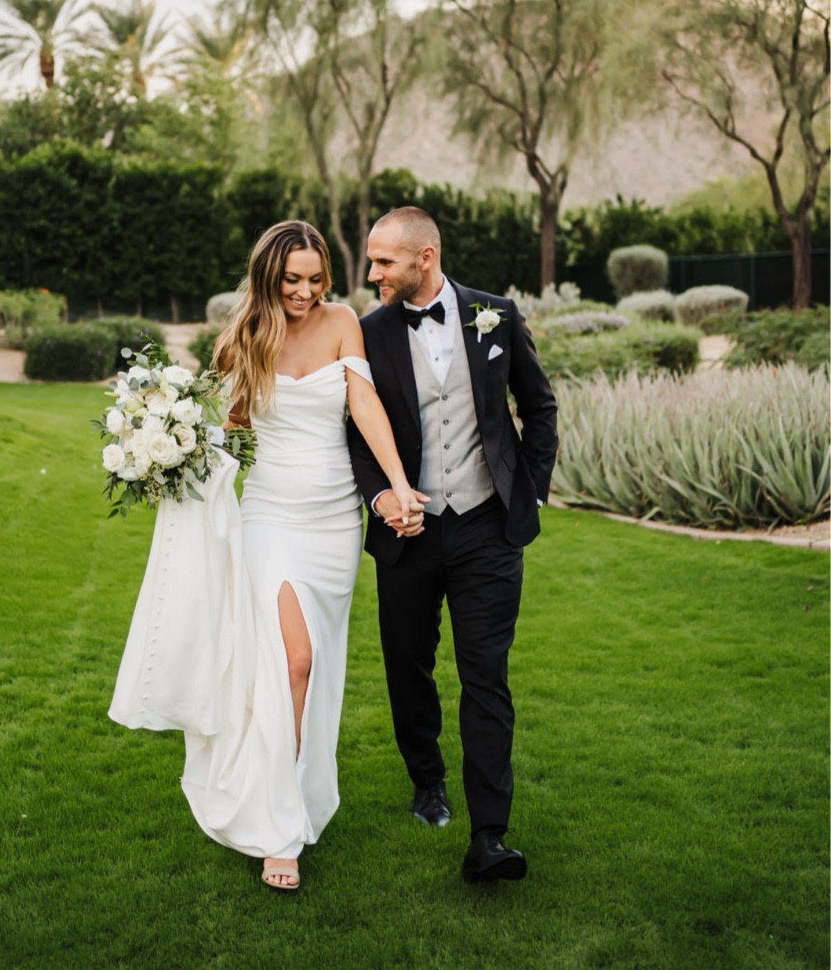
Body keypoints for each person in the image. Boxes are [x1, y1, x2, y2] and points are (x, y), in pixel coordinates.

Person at [110, 220, 425, 893]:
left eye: (315, 278)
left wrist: (398, 484)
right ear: (267, 278)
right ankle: (279, 830)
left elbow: (364, 403)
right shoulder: (243, 338)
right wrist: (169, 447)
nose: (305, 291)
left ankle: (290, 790)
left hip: (334, 520)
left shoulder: (343, 322)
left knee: (314, 667)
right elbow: (230, 431)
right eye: (291, 280)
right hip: (270, 516)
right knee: (293, 660)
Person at [347, 206, 558, 884]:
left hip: (487, 526)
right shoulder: (367, 332)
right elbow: (353, 432)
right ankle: (427, 781)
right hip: (407, 531)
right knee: (407, 664)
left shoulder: (496, 315)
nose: (373, 273)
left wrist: (529, 493)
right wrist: (380, 497)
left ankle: (490, 833)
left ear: (426, 257)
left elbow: (539, 406)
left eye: (384, 261)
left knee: (485, 674)